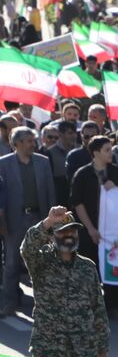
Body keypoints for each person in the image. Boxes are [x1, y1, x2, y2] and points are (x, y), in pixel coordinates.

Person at [20, 207, 109, 357]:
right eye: (62, 232)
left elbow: (98, 309)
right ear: (51, 236)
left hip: (83, 351)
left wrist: (102, 347)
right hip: (49, 349)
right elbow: (27, 248)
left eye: (72, 231)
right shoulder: (40, 262)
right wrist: (48, 222)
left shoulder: (88, 267)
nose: (69, 235)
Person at [0, 128, 55, 316]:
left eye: (33, 140)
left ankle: (44, 304)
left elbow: (50, 192)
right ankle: (9, 302)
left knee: (42, 262)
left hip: (39, 218)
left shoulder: (43, 162)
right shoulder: (3, 164)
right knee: (12, 262)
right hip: (14, 219)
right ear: (17, 143)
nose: (34, 144)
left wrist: (52, 220)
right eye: (29, 141)